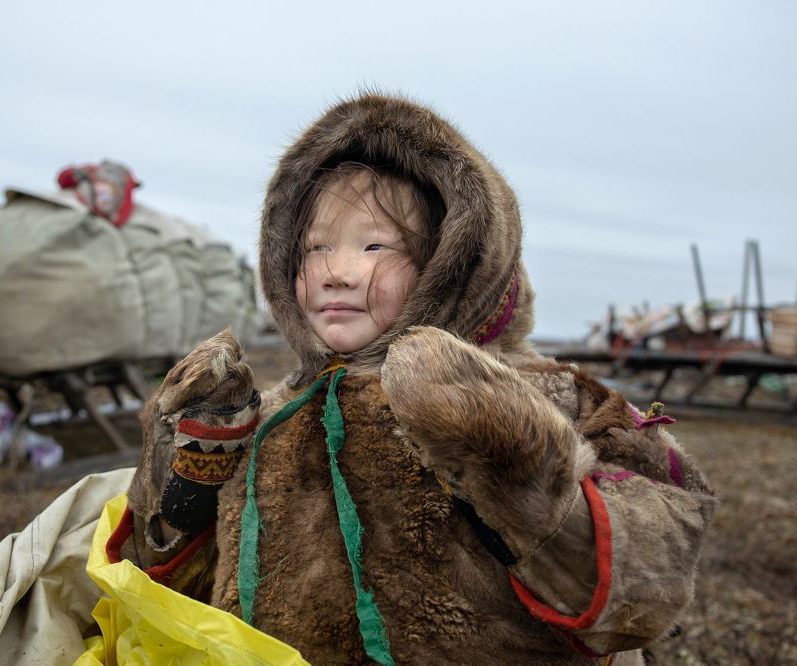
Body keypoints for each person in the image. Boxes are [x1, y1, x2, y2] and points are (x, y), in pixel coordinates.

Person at [114, 93, 715, 664]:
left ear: (453, 262)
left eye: (375, 245)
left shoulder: (553, 397)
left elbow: (654, 577)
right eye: (313, 248)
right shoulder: (274, 415)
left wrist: (521, 468)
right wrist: (189, 466)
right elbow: (174, 584)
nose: (335, 273)